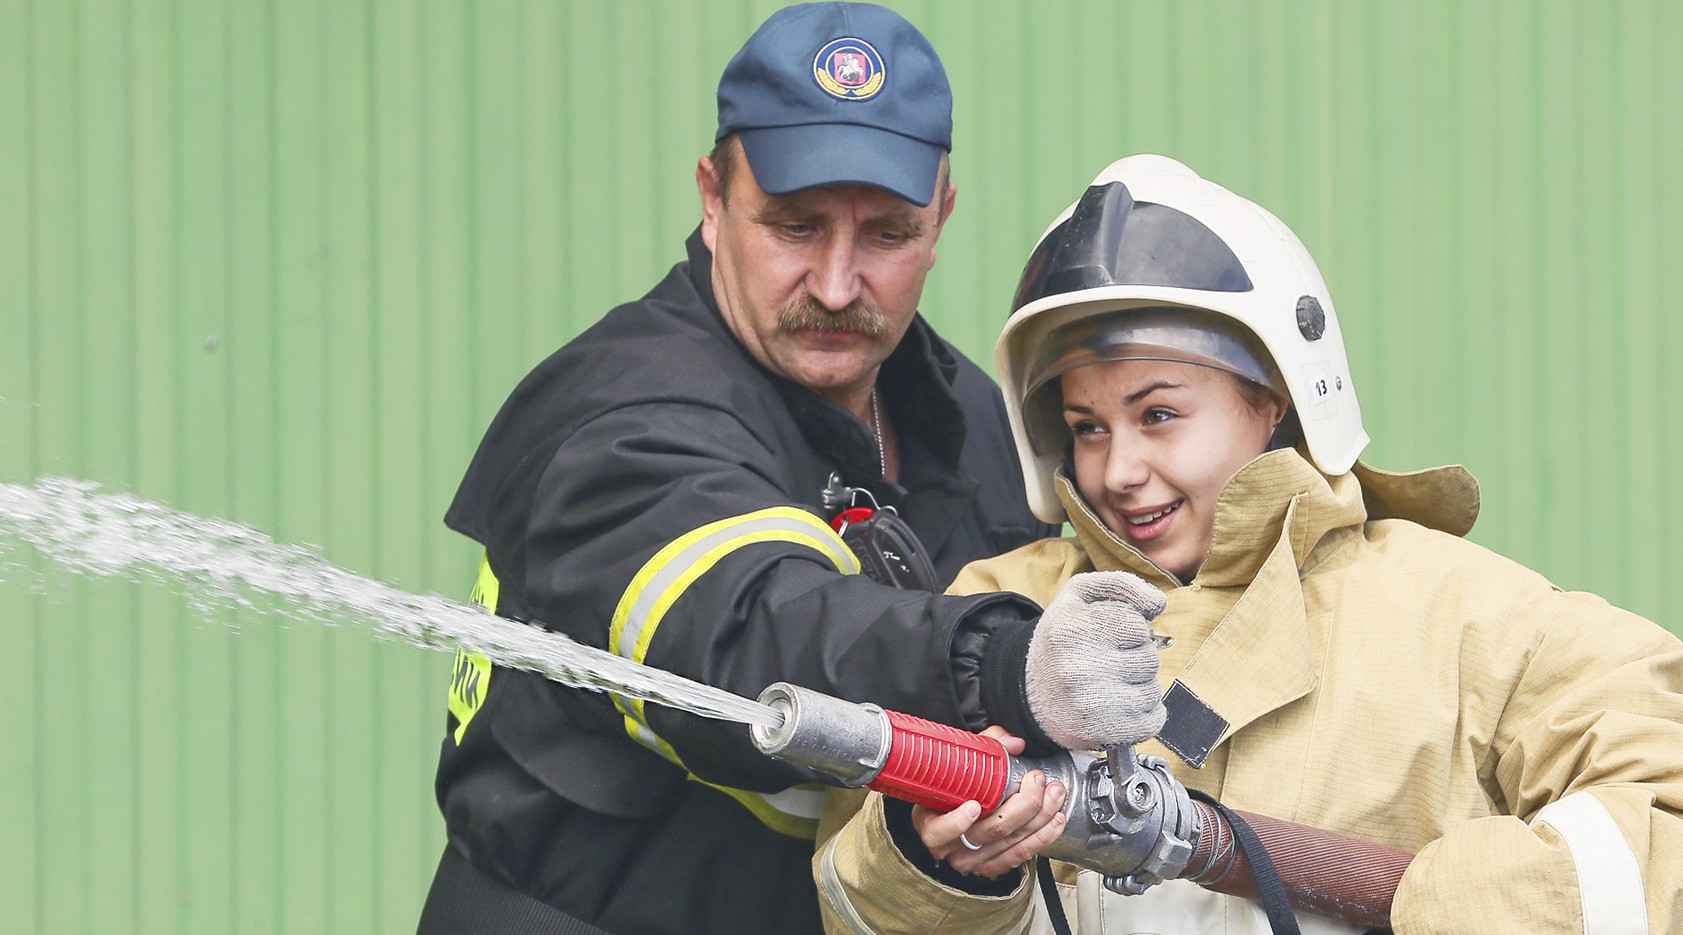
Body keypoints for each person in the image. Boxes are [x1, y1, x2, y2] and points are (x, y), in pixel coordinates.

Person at [810, 154, 1683, 934]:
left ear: (1276, 397)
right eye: (1087, 425)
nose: (1118, 468)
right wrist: (941, 865)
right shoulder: (1005, 615)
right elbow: (846, 888)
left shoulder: (1468, 616)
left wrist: (1427, 898)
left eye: (1158, 413)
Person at [417, 6, 1175, 934]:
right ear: (710, 195)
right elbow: (749, 639)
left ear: (943, 213)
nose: (834, 283)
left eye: (888, 234)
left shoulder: (968, 415)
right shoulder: (618, 415)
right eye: (794, 225)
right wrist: (1008, 664)